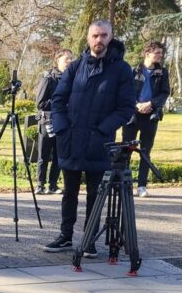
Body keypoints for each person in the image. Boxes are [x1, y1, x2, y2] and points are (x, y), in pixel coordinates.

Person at [44, 20, 135, 258]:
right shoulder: (75, 67)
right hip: (71, 139)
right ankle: (65, 236)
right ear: (88, 37)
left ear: (110, 37)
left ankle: (89, 239)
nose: (99, 40)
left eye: (103, 35)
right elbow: (58, 100)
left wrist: (103, 129)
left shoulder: (122, 70)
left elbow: (126, 108)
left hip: (99, 142)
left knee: (96, 193)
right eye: (95, 35)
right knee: (69, 192)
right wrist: (62, 128)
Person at [121, 41, 170, 197]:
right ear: (147, 53)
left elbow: (164, 93)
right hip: (132, 116)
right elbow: (126, 91)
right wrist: (137, 105)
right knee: (126, 150)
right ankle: (125, 184)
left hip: (151, 115)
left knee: (145, 152)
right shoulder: (134, 70)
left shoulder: (162, 72)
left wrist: (151, 104)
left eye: (161, 53)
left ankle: (142, 185)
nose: (160, 56)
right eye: (157, 53)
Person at [33, 49, 73, 195]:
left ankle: (53, 185)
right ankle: (40, 184)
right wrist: (60, 103)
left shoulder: (72, 79)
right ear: (57, 60)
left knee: (59, 155)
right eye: (66, 59)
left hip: (64, 123)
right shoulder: (48, 77)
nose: (69, 61)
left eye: (71, 59)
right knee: (43, 155)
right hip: (48, 122)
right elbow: (40, 103)